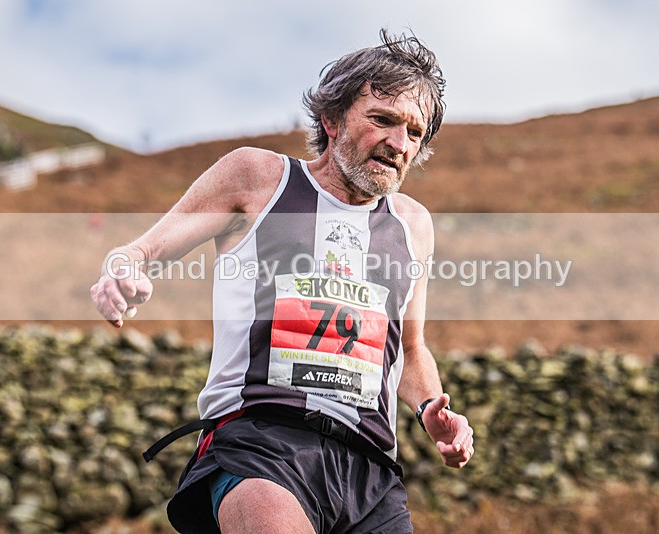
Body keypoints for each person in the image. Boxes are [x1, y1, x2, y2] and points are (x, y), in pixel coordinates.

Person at [91, 29, 474, 534]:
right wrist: (123, 270)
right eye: (382, 119)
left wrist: (430, 409)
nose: (399, 144)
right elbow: (141, 250)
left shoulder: (413, 225)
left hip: (371, 470)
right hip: (262, 445)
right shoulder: (258, 178)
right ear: (331, 119)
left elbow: (412, 348)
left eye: (415, 132)